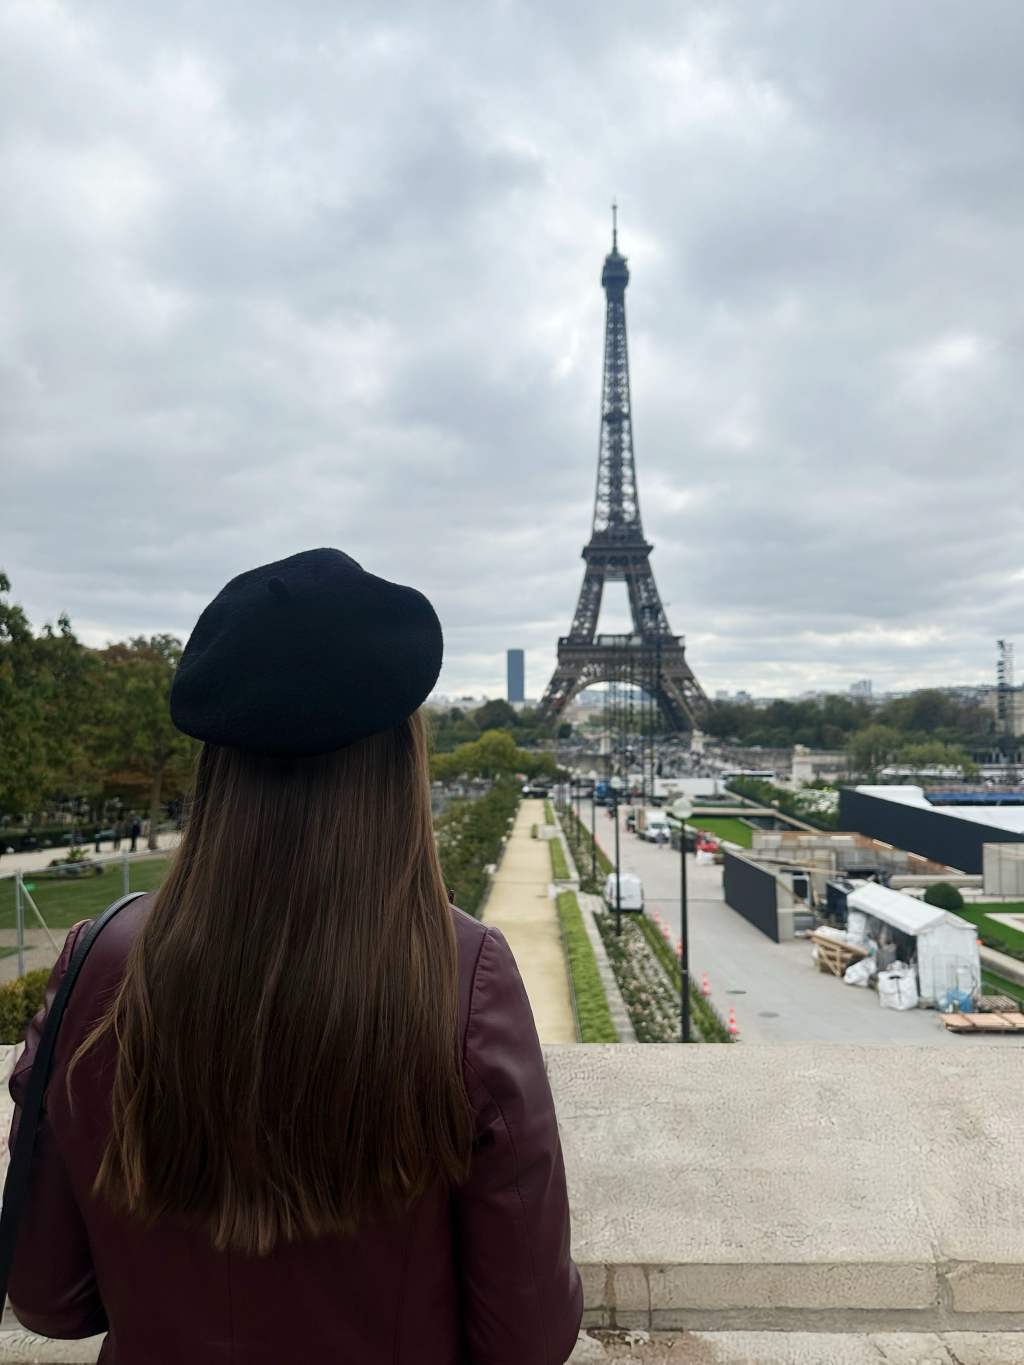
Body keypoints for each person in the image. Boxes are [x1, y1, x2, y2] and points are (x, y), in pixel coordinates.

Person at [6, 548, 582, 1364]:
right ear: (401, 764)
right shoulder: (464, 975)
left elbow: (49, 1298)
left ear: (216, 764)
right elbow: (528, 1338)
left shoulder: (96, 962)